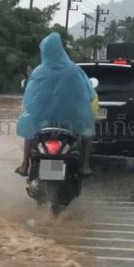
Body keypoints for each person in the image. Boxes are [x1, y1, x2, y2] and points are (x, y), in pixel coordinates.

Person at [15, 32, 95, 177]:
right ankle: (85, 166)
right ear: (61, 50)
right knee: (88, 132)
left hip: (43, 120)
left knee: (30, 131)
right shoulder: (74, 70)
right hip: (71, 119)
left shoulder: (39, 71)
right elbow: (88, 93)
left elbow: (29, 98)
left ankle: (25, 165)